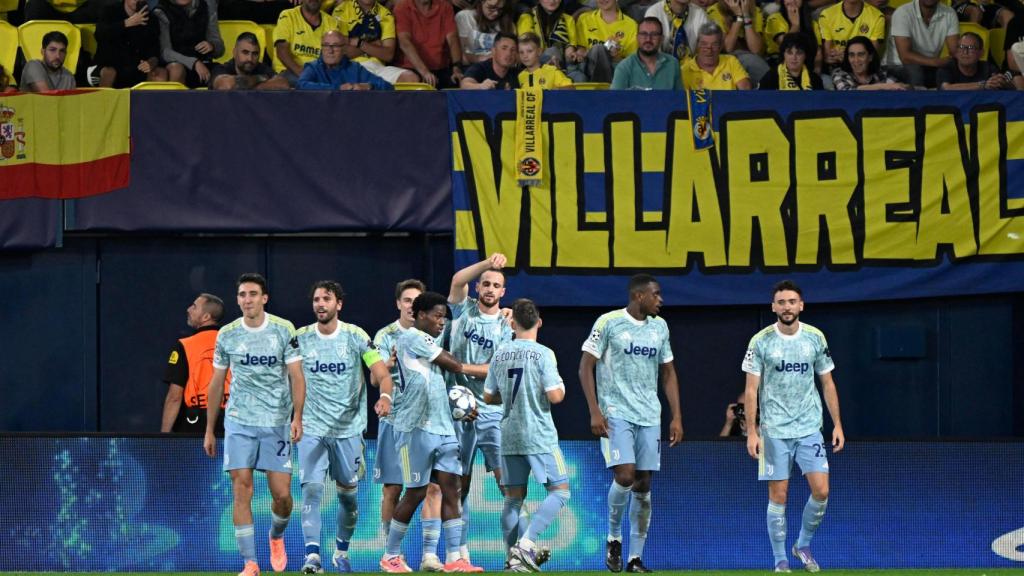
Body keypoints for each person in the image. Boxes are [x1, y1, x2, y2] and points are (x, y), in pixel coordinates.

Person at [579, 273, 684, 574]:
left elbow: (668, 373)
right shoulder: (608, 322)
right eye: (656, 294)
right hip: (616, 412)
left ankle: (635, 558)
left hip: (649, 415)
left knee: (643, 483)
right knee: (625, 476)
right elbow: (585, 366)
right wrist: (595, 411)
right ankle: (613, 537)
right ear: (639, 296)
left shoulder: (660, 327)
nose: (661, 300)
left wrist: (676, 415)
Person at [203, 273, 307, 576]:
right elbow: (216, 382)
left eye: (252, 294)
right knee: (241, 489)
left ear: (264, 298)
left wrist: (297, 417)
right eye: (242, 294)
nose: (247, 299)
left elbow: (297, 377)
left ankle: (276, 537)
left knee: (283, 496)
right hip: (239, 422)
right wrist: (210, 428)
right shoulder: (227, 334)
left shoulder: (283, 330)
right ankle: (250, 563)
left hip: (276, 422)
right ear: (237, 299)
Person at [380, 291, 489, 573]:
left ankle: (455, 558)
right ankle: (391, 555)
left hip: (442, 427)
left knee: (452, 489)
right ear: (420, 315)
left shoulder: (430, 341)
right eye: (437, 316)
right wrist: (480, 370)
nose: (442, 321)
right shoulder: (413, 338)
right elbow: (453, 363)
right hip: (413, 427)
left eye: (444, 316)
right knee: (415, 493)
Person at [741, 280, 845, 574]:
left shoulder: (815, 337)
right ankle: (780, 560)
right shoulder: (760, 341)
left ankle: (802, 545)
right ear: (773, 307)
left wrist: (837, 424)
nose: (787, 307)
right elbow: (751, 390)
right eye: (781, 302)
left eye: (792, 301)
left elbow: (827, 382)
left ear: (801, 305)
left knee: (822, 491)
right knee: (779, 496)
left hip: (809, 427)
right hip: (774, 430)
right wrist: (752, 430)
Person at [294, 281, 395, 574]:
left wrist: (386, 397)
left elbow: (381, 374)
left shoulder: (356, 337)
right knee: (311, 491)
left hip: (349, 430)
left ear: (339, 304)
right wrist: (295, 417)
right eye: (316, 299)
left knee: (347, 499)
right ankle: (312, 557)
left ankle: (341, 550)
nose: (320, 304)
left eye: (326, 299)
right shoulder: (300, 339)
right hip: (312, 428)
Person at [482, 299, 569, 572]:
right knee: (560, 491)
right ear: (539, 322)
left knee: (512, 499)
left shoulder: (500, 353)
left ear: (512, 323)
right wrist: (560, 388)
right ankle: (527, 544)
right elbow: (555, 396)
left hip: (508, 434)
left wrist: (509, 398)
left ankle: (511, 560)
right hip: (538, 435)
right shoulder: (544, 354)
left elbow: (487, 395)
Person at [372, 279, 447, 572]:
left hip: (428, 422)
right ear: (399, 304)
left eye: (416, 301)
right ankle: (392, 554)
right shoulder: (385, 335)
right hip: (396, 422)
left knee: (433, 488)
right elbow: (374, 378)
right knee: (393, 488)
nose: (411, 306)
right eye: (406, 300)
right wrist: (388, 367)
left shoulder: (434, 336)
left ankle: (430, 555)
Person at [445, 252, 514, 561]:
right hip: (457, 408)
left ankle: (515, 553)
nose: (489, 288)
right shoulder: (463, 311)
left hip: (490, 410)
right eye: (485, 283)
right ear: (478, 289)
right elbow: (457, 280)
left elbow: (496, 369)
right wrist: (488, 263)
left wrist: (459, 365)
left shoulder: (506, 325)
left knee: (507, 483)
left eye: (495, 285)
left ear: (502, 293)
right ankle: (460, 552)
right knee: (460, 482)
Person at [161, 293, 231, 434]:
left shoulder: (185, 345)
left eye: (194, 307)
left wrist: (163, 437)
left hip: (195, 425)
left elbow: (175, 397)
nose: (188, 309)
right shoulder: (234, 345)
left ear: (206, 317)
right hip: (233, 423)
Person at [332, 0, 419, 84]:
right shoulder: (341, 10)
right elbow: (342, 53)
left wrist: (360, 44)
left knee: (411, 78)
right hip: (352, 66)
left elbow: (388, 55)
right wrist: (374, 45)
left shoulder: (385, 14)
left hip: (378, 67)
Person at [393, 0, 466, 88]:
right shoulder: (402, 7)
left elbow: (452, 39)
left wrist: (456, 68)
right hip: (411, 68)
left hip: (441, 69)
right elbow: (404, 42)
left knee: (461, 81)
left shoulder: (445, 6)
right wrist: (424, 72)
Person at [95, 0, 167, 88]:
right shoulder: (110, 11)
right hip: (111, 64)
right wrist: (126, 23)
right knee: (108, 73)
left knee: (160, 73)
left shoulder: (151, 19)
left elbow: (154, 50)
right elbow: (100, 35)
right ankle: (103, 101)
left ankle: (148, 102)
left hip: (137, 67)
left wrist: (151, 63)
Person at [887, 0, 960, 87]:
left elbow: (955, 50)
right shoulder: (902, 13)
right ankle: (916, 100)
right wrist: (937, 62)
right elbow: (905, 57)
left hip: (929, 65)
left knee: (954, 69)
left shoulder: (949, 13)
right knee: (915, 72)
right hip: (898, 65)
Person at [155, 0, 225, 88]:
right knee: (176, 69)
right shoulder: (161, 11)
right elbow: (165, 52)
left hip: (204, 64)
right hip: (178, 63)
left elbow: (220, 49)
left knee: (224, 76)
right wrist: (193, 62)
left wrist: (212, 45)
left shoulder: (207, 4)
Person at [273, 0, 342, 86]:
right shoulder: (288, 16)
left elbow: (336, 54)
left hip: (319, 74)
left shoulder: (331, 22)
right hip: (290, 71)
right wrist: (304, 74)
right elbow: (282, 52)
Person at [296, 30, 395, 89]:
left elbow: (388, 87)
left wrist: (369, 86)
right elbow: (301, 85)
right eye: (326, 46)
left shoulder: (355, 68)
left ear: (344, 49)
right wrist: (337, 88)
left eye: (335, 46)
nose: (330, 51)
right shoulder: (313, 67)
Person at [517, 0, 584, 79]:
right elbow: (527, 47)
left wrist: (571, 55)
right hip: (537, 63)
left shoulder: (568, 19)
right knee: (552, 51)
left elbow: (571, 47)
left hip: (564, 65)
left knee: (580, 77)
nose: (552, 1)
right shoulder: (527, 17)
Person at [611, 17, 683, 89]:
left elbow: (681, 98)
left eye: (654, 34)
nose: (648, 39)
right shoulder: (624, 67)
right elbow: (614, 99)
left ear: (661, 39)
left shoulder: (673, 64)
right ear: (637, 38)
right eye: (643, 34)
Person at [575, 0, 639, 82]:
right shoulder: (584, 19)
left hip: (615, 72)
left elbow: (632, 63)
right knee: (598, 49)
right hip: (588, 69)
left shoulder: (631, 25)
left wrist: (616, 57)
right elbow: (580, 49)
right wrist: (583, 53)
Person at [708, 0, 769, 83]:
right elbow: (728, 48)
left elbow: (756, 49)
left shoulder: (756, 11)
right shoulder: (714, 10)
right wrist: (739, 17)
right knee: (751, 61)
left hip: (752, 58)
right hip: (725, 58)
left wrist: (746, 15)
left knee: (753, 62)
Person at [681, 22, 752, 89]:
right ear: (697, 45)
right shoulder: (685, 70)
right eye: (704, 44)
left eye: (714, 44)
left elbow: (746, 90)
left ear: (721, 46)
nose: (709, 50)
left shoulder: (730, 61)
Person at [818, 0, 886, 68]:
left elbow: (872, 53)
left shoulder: (877, 16)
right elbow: (828, 56)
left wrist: (846, 55)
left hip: (865, 68)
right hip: (836, 67)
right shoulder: (827, 15)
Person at [211, 32, 290, 89]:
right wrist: (258, 78)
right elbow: (226, 85)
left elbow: (284, 84)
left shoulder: (262, 68)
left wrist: (251, 87)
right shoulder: (221, 69)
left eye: (255, 54)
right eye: (245, 52)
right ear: (234, 52)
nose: (250, 59)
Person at [938, 31, 1013, 89]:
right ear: (956, 51)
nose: (965, 52)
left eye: (971, 48)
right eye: (961, 47)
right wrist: (983, 85)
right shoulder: (947, 67)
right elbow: (947, 88)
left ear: (981, 53)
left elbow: (1006, 87)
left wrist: (1002, 83)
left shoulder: (988, 68)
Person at [831, 35, 910, 89]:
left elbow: (898, 87)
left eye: (861, 55)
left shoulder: (880, 74)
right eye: (852, 55)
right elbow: (848, 92)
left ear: (870, 57)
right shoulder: (840, 74)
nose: (856, 60)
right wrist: (882, 87)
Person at [643, 0, 709, 62]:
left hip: (691, 71)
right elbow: (652, 58)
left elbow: (706, 54)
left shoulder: (700, 14)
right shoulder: (653, 13)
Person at [456, 0, 516, 64]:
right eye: (491, 8)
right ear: (482, 2)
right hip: (473, 65)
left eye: (500, 9)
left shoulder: (508, 23)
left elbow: (514, 53)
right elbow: (461, 53)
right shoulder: (465, 16)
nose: (496, 13)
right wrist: (481, 58)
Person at [757, 33, 823, 89]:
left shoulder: (814, 80)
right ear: (783, 54)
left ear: (805, 55)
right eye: (789, 53)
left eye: (799, 53)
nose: (794, 57)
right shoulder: (771, 77)